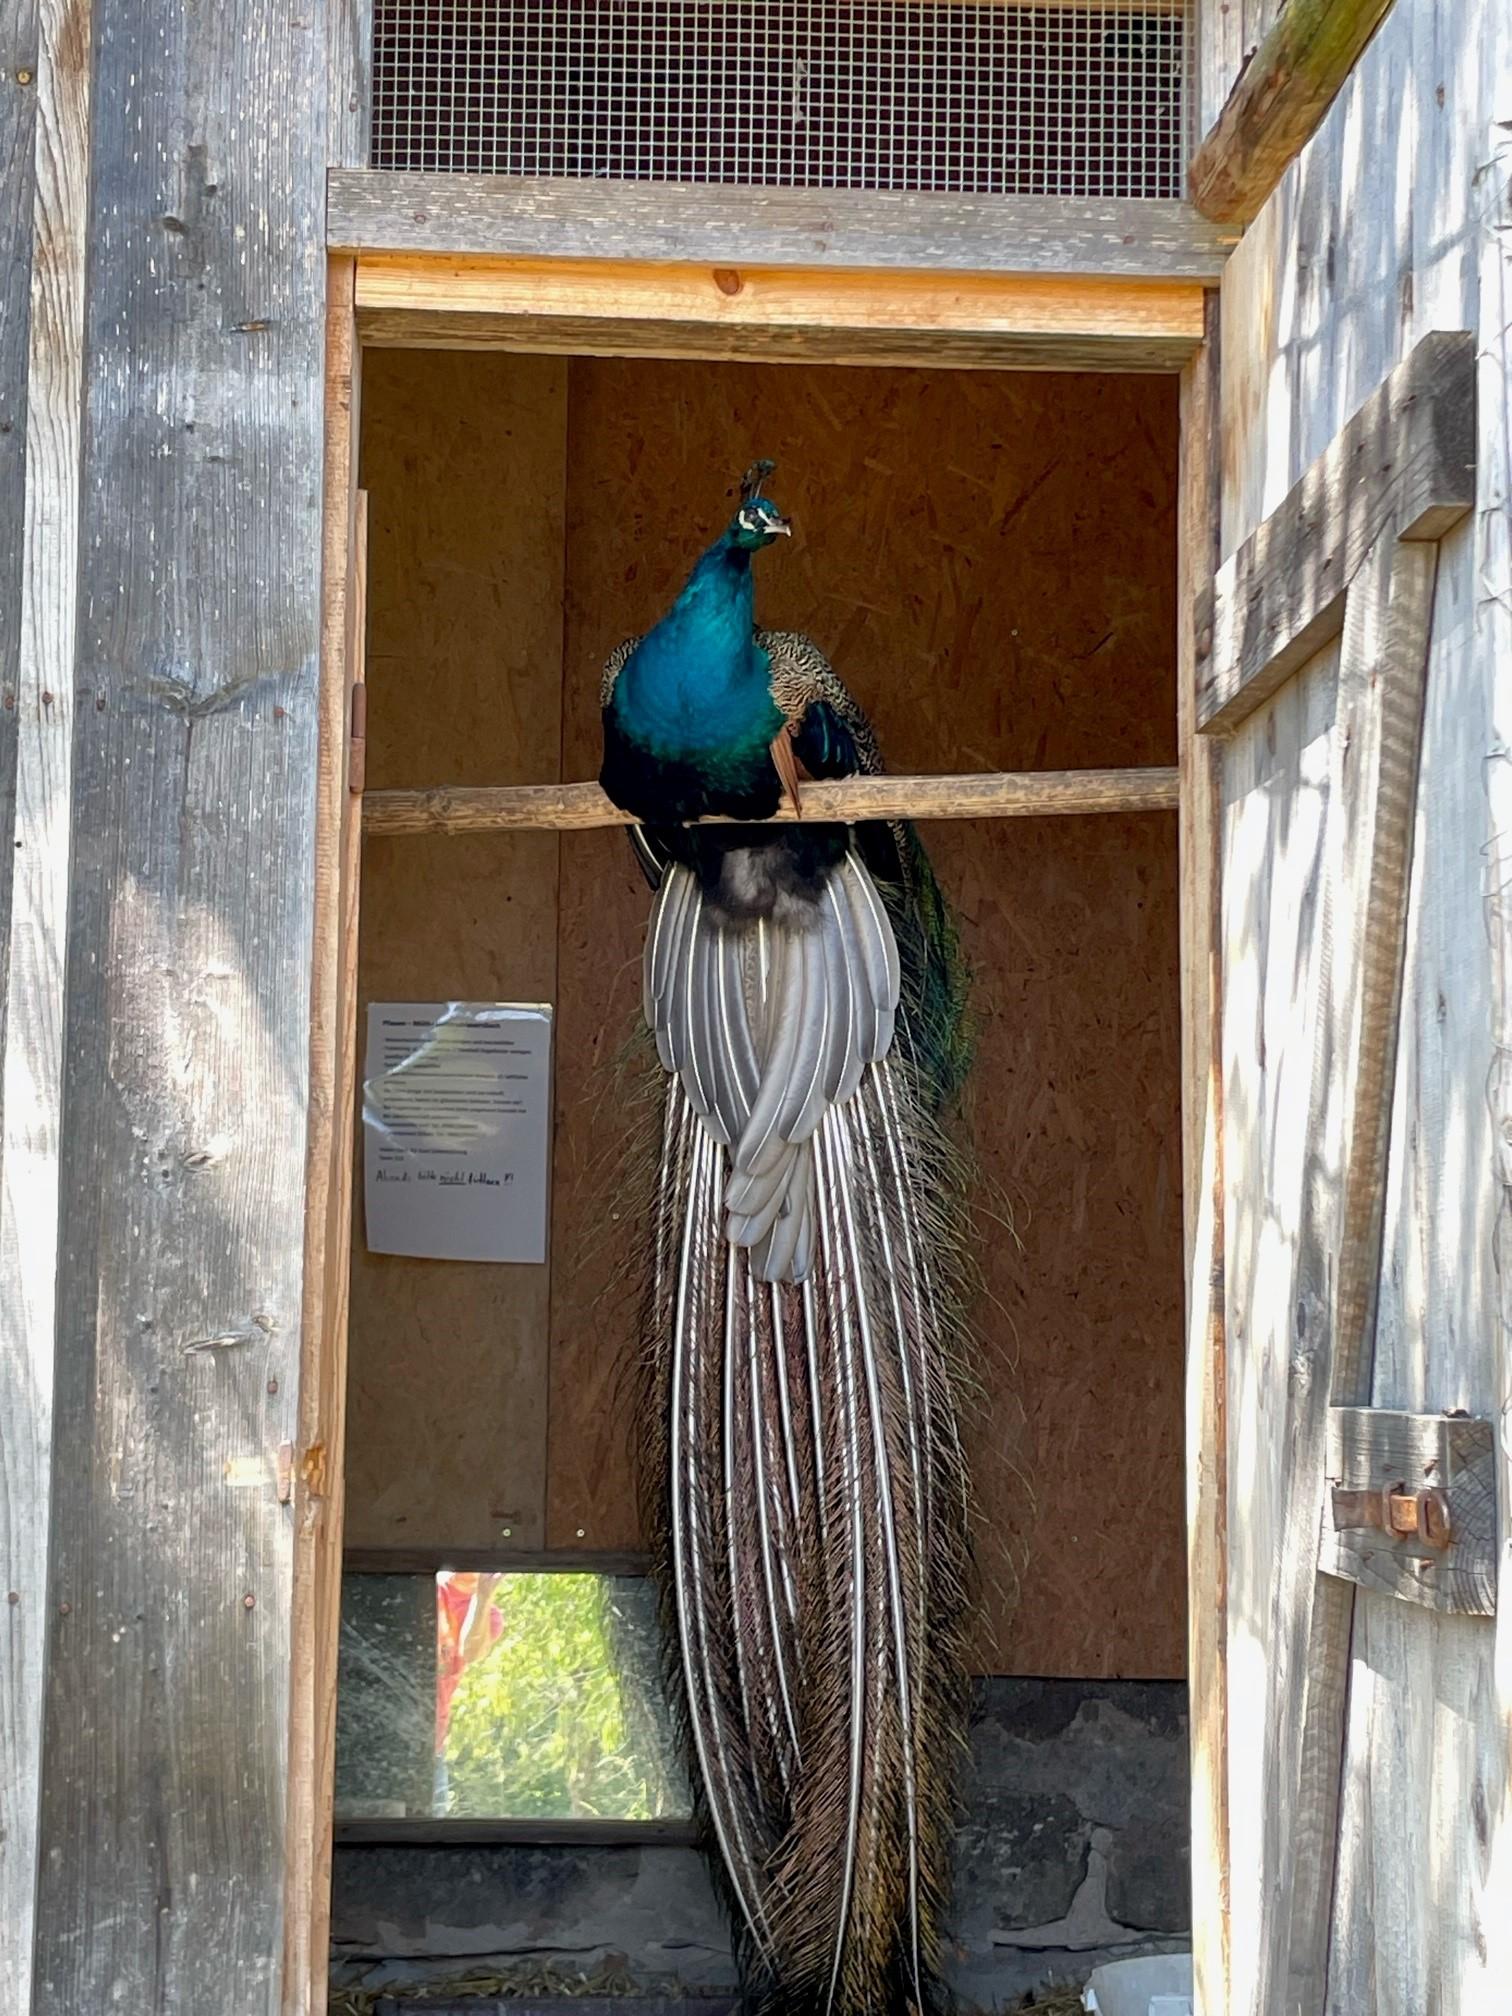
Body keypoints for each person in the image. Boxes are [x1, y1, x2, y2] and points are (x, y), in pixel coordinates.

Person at [433, 1570, 503, 1812]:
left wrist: (483, 1599)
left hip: (432, 1745)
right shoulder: (432, 1586)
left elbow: (471, 1651)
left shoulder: (489, 1616)